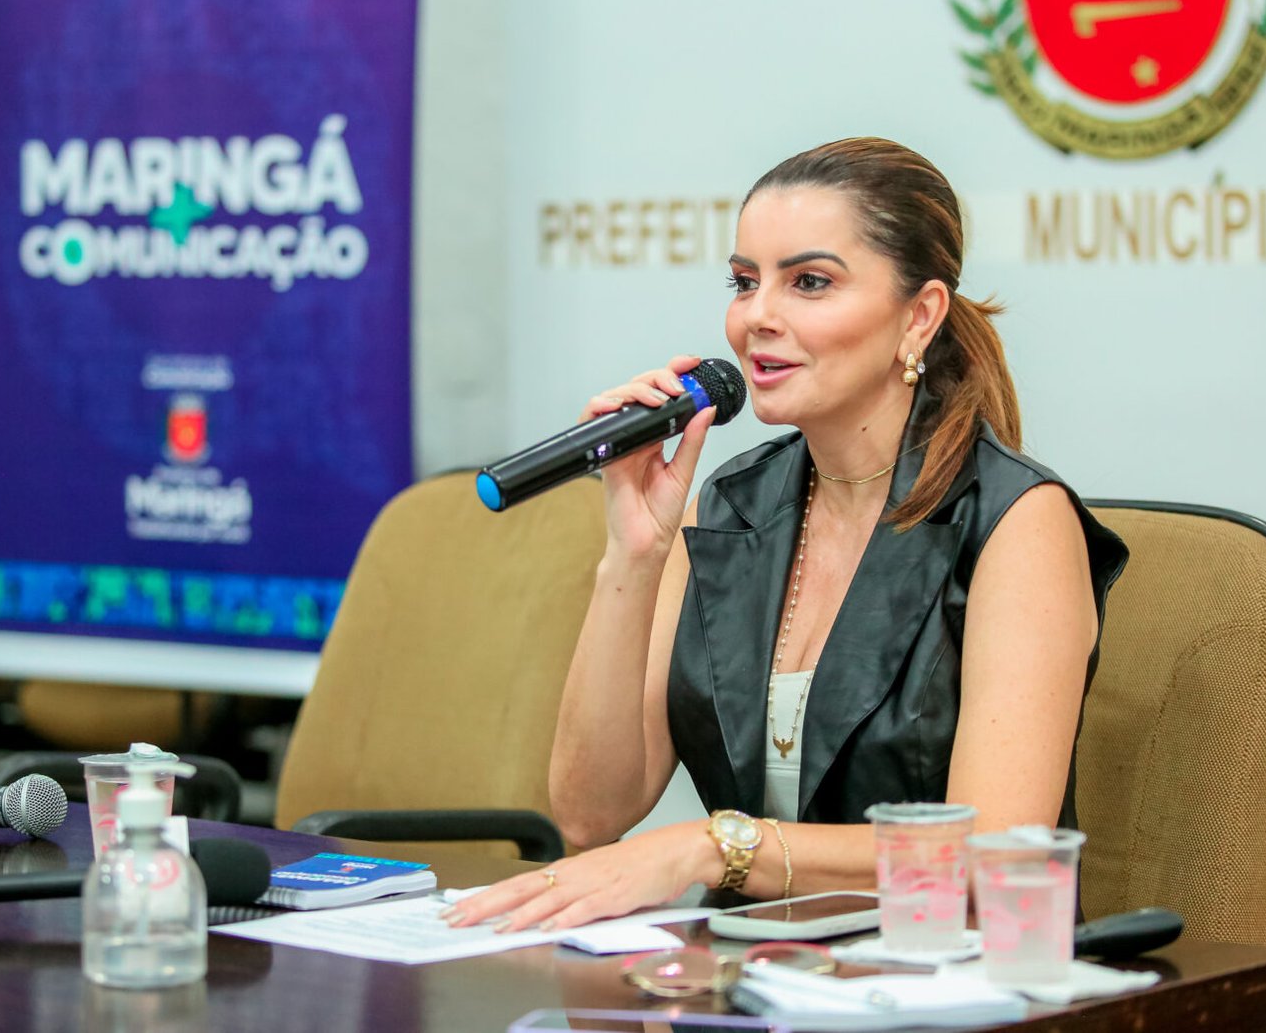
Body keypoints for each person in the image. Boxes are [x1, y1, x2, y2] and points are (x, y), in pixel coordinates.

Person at [443, 136, 1128, 934]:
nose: (757, 316)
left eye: (809, 282)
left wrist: (715, 847)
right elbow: (592, 813)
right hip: (751, 971)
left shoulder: (1017, 519)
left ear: (919, 317)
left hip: (940, 973)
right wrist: (634, 553)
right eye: (744, 282)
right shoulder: (729, 508)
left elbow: (990, 854)